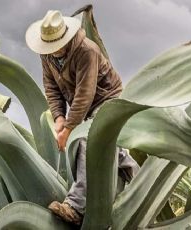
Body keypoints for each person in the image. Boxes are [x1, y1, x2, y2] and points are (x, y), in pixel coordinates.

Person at [25, 10, 140, 225]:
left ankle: (76, 207)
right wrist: (59, 118)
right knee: (114, 150)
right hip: (83, 105)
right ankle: (141, 184)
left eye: (56, 45)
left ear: (65, 37)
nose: (53, 50)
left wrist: (69, 129)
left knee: (89, 139)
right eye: (48, 46)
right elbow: (51, 88)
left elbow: (85, 94)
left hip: (107, 100)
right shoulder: (48, 54)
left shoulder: (87, 50)